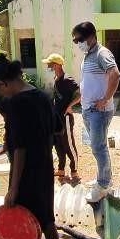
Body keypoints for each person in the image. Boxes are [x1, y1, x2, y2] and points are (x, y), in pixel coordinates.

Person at [0, 55, 61, 239]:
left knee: (24, 222)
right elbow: (57, 128)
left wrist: (13, 188)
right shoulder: (42, 95)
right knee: (48, 221)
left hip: (26, 173)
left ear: (3, 83)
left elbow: (20, 148)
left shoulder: (17, 103)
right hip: (45, 168)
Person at [72, 22, 119, 203]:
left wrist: (106, 99)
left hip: (99, 111)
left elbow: (115, 75)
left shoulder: (102, 53)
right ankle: (104, 178)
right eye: (75, 40)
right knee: (99, 147)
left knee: (98, 148)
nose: (77, 43)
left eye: (80, 39)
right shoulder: (88, 55)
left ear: (91, 36)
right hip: (88, 109)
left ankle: (103, 186)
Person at [42, 53, 80, 183]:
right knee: (58, 144)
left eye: (50, 64)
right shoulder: (57, 79)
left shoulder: (67, 79)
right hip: (56, 118)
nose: (48, 66)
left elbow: (80, 93)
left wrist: (70, 106)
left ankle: (74, 170)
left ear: (57, 65)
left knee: (68, 144)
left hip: (66, 118)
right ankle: (61, 169)